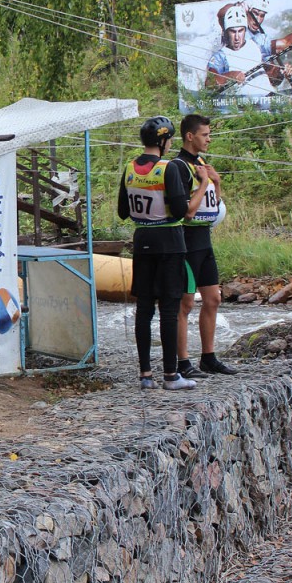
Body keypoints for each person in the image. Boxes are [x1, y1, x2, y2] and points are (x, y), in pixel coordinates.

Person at [117, 116, 206, 391]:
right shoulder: (168, 168)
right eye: (169, 139)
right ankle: (170, 375)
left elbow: (122, 211)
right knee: (168, 309)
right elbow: (181, 211)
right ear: (163, 141)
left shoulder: (130, 168)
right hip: (169, 241)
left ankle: (145, 375)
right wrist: (201, 185)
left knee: (144, 309)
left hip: (142, 240)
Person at [173, 114, 237, 378]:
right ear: (190, 136)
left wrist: (216, 182)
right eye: (205, 135)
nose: (209, 139)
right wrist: (202, 183)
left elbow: (214, 205)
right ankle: (182, 362)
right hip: (186, 242)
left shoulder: (201, 163)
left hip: (204, 240)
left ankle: (208, 358)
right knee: (185, 303)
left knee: (213, 299)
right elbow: (186, 211)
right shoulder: (178, 166)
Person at [206, 4, 279, 100]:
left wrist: (280, 73)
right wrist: (230, 75)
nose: (237, 37)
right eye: (233, 32)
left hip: (268, 101)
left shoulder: (258, 44)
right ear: (226, 32)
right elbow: (209, 83)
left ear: (245, 30)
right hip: (244, 105)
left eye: (240, 31)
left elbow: (274, 78)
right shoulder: (220, 56)